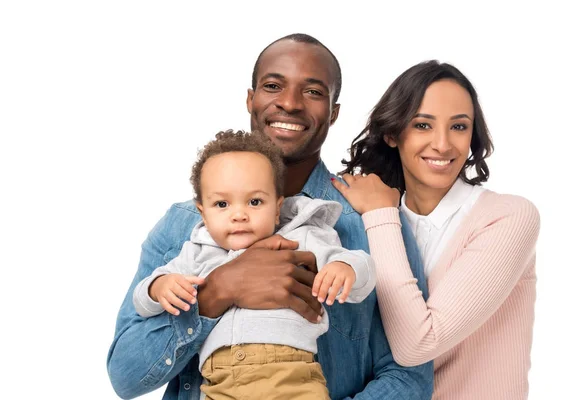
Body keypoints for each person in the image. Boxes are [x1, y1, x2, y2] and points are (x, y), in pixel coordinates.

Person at [107, 33, 433, 400]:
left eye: (312, 91)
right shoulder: (183, 224)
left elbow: (410, 377)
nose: (290, 103)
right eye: (273, 85)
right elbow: (125, 376)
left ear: (334, 111)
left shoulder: (369, 220)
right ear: (251, 99)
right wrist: (217, 292)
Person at [332, 60, 540, 399]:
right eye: (423, 125)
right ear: (392, 133)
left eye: (459, 127)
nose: (442, 145)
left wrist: (381, 213)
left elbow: (417, 345)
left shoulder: (508, 217)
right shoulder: (370, 219)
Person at [133, 129, 376, 400]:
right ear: (203, 211)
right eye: (222, 203)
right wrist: (158, 286)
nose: (239, 215)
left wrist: (345, 267)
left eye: (255, 201)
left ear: (276, 208)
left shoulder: (301, 237)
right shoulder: (196, 252)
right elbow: (141, 301)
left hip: (291, 377)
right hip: (218, 384)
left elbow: (363, 270)